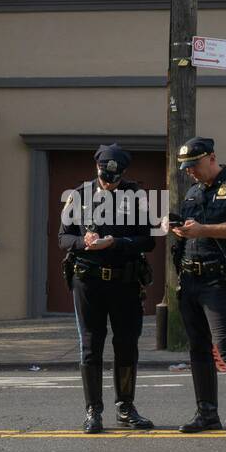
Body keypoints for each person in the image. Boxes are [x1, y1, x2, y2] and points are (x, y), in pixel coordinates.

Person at [162, 137, 226, 441]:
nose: (190, 172)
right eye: (186, 167)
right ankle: (207, 412)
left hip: (218, 281)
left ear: (211, 158)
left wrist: (202, 229)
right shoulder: (194, 192)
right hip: (191, 279)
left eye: (193, 165)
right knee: (198, 348)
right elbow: (190, 230)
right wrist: (180, 229)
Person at [59, 144, 156, 433]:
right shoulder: (77, 195)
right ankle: (93, 412)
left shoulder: (136, 196)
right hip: (88, 282)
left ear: (123, 174)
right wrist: (83, 242)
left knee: (126, 344)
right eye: (104, 176)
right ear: (97, 168)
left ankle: (125, 408)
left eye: (114, 178)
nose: (108, 182)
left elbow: (147, 240)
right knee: (91, 345)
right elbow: (63, 238)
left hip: (125, 281)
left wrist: (116, 242)